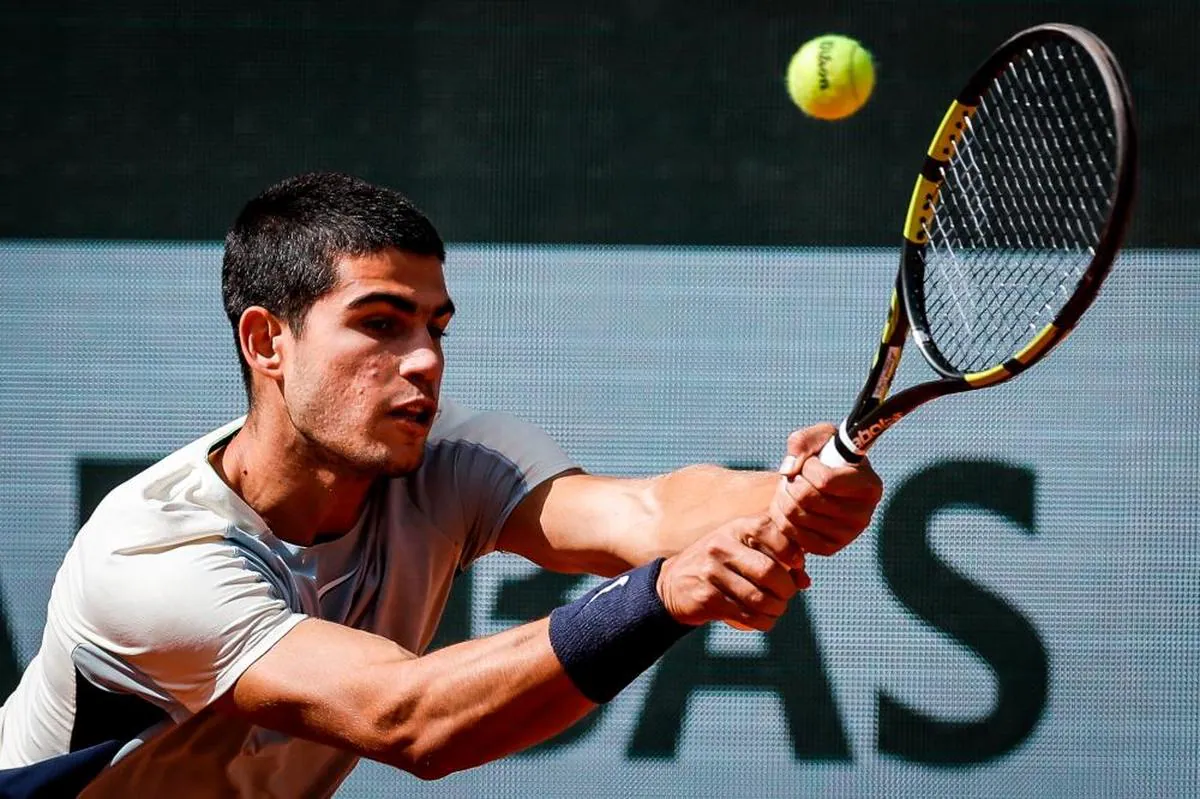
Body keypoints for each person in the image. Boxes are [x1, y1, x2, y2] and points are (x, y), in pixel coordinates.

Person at [0, 172, 882, 797]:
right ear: (267, 342)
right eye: (380, 324)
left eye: (435, 326)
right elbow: (408, 720)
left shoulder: (438, 454)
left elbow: (640, 509)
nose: (423, 359)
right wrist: (661, 596)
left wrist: (796, 491)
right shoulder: (155, 553)